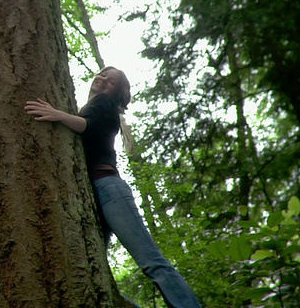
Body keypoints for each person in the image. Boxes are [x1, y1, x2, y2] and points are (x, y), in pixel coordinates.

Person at [24, 67, 201, 308]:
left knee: (150, 260)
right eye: (103, 75)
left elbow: (89, 126)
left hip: (109, 189)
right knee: (95, 275)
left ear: (117, 93)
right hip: (96, 195)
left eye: (112, 81)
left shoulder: (105, 103)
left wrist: (57, 115)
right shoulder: (93, 106)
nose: (104, 80)